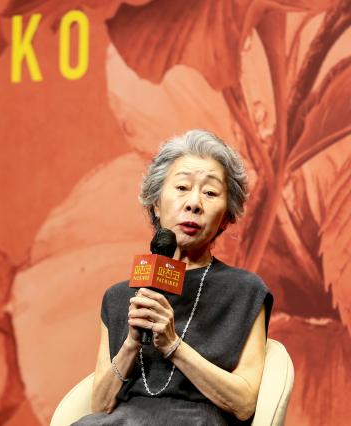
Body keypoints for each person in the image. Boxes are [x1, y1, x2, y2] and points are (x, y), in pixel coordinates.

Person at [72, 129, 273, 425]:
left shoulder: (244, 292)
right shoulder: (118, 298)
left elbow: (244, 404)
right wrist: (131, 343)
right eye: (182, 187)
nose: (194, 203)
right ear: (155, 202)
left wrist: (172, 345)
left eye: (210, 192)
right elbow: (100, 405)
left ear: (227, 216)